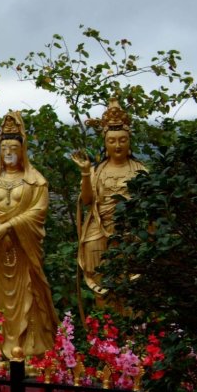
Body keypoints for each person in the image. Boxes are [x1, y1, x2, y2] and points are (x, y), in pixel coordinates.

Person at [0, 111, 59, 359]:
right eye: (4, 148)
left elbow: (38, 211)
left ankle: (32, 349)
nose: (8, 153)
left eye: (13, 147)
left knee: (29, 299)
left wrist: (9, 226)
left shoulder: (35, 182)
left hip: (24, 253)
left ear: (23, 150)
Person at [71, 99, 146, 296]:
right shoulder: (98, 170)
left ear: (129, 142)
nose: (118, 145)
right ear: (105, 143)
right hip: (100, 225)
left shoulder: (140, 170)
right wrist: (86, 173)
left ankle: (135, 322)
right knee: (97, 267)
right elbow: (87, 201)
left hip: (130, 228)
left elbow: (149, 205)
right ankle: (104, 322)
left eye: (122, 140)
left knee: (132, 280)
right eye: (112, 141)